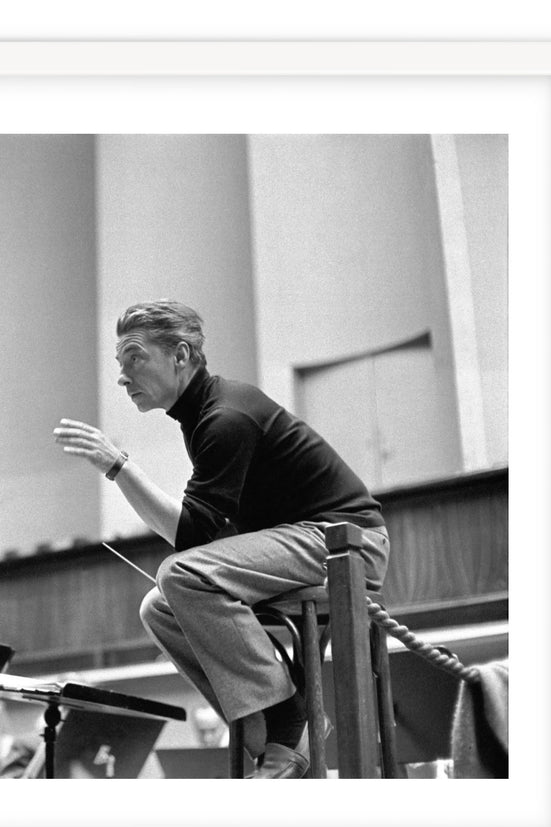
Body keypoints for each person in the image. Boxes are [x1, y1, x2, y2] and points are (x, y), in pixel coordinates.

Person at [54, 300, 389, 779]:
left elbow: (190, 540)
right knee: (158, 607)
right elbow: (202, 533)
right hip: (301, 541)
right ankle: (272, 745)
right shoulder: (202, 418)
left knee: (179, 574)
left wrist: (119, 467)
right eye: (120, 364)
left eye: (134, 358)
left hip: (346, 543)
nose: (123, 377)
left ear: (181, 354)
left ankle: (288, 726)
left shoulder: (225, 417)